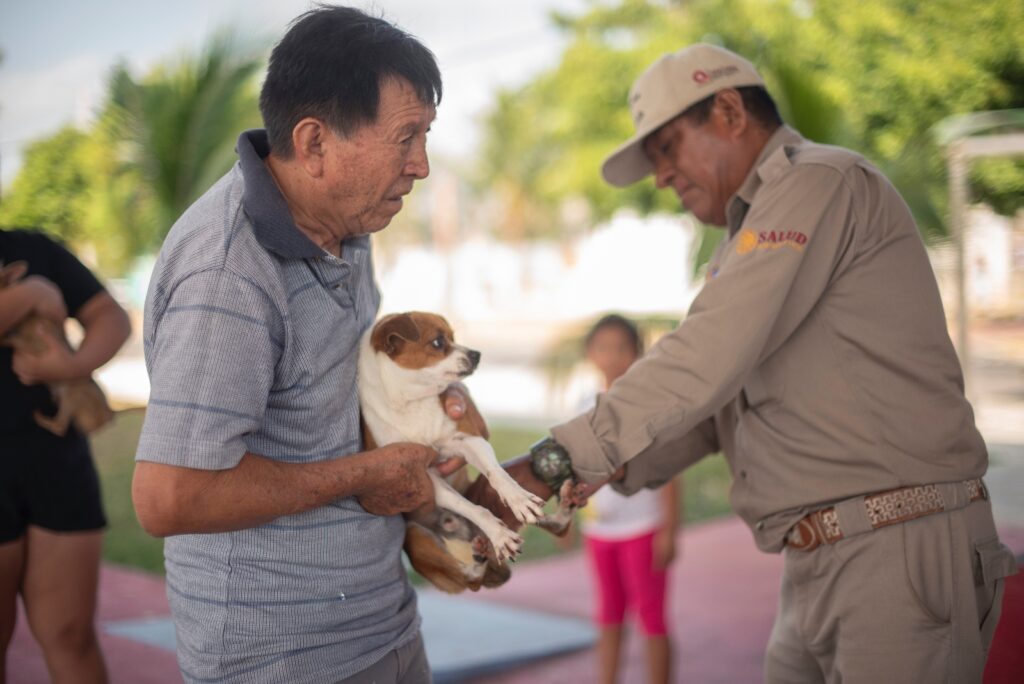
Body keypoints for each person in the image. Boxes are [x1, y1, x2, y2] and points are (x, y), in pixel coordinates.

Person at [481, 43, 1019, 682]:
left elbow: (706, 354)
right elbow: (715, 406)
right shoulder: (748, 237)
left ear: (730, 111)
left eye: (668, 148)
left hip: (895, 548)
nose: (662, 176)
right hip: (818, 560)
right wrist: (597, 472)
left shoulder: (819, 182)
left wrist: (551, 461)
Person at [131, 7, 473, 683]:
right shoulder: (227, 272)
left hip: (382, 622)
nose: (422, 167)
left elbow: (325, 398)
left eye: (425, 137)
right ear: (314, 143)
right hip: (283, 657)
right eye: (406, 138)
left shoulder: (350, 223)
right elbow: (168, 496)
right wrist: (363, 476)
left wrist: (424, 398)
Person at [1, 227, 131, 684]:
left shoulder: (33, 248)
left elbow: (110, 316)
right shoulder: (34, 276)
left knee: (72, 636)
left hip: (56, 464)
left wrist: (72, 366)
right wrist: (32, 293)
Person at [576, 314, 679, 684]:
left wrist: (669, 530)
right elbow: (577, 467)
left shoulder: (647, 407)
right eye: (604, 348)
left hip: (644, 528)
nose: (612, 356)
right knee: (608, 615)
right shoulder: (584, 406)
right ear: (591, 353)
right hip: (601, 533)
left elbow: (669, 469)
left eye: (622, 348)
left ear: (636, 353)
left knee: (651, 618)